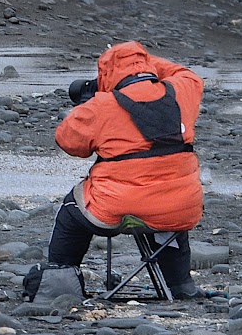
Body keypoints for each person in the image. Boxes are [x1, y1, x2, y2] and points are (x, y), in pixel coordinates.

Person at [25, 41, 205, 302]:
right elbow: (183, 72)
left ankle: (59, 280)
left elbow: (68, 142)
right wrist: (142, 63)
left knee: (71, 208)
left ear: (107, 74)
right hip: (181, 208)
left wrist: (91, 102)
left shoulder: (102, 106)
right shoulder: (182, 90)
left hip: (116, 208)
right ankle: (180, 284)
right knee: (166, 205)